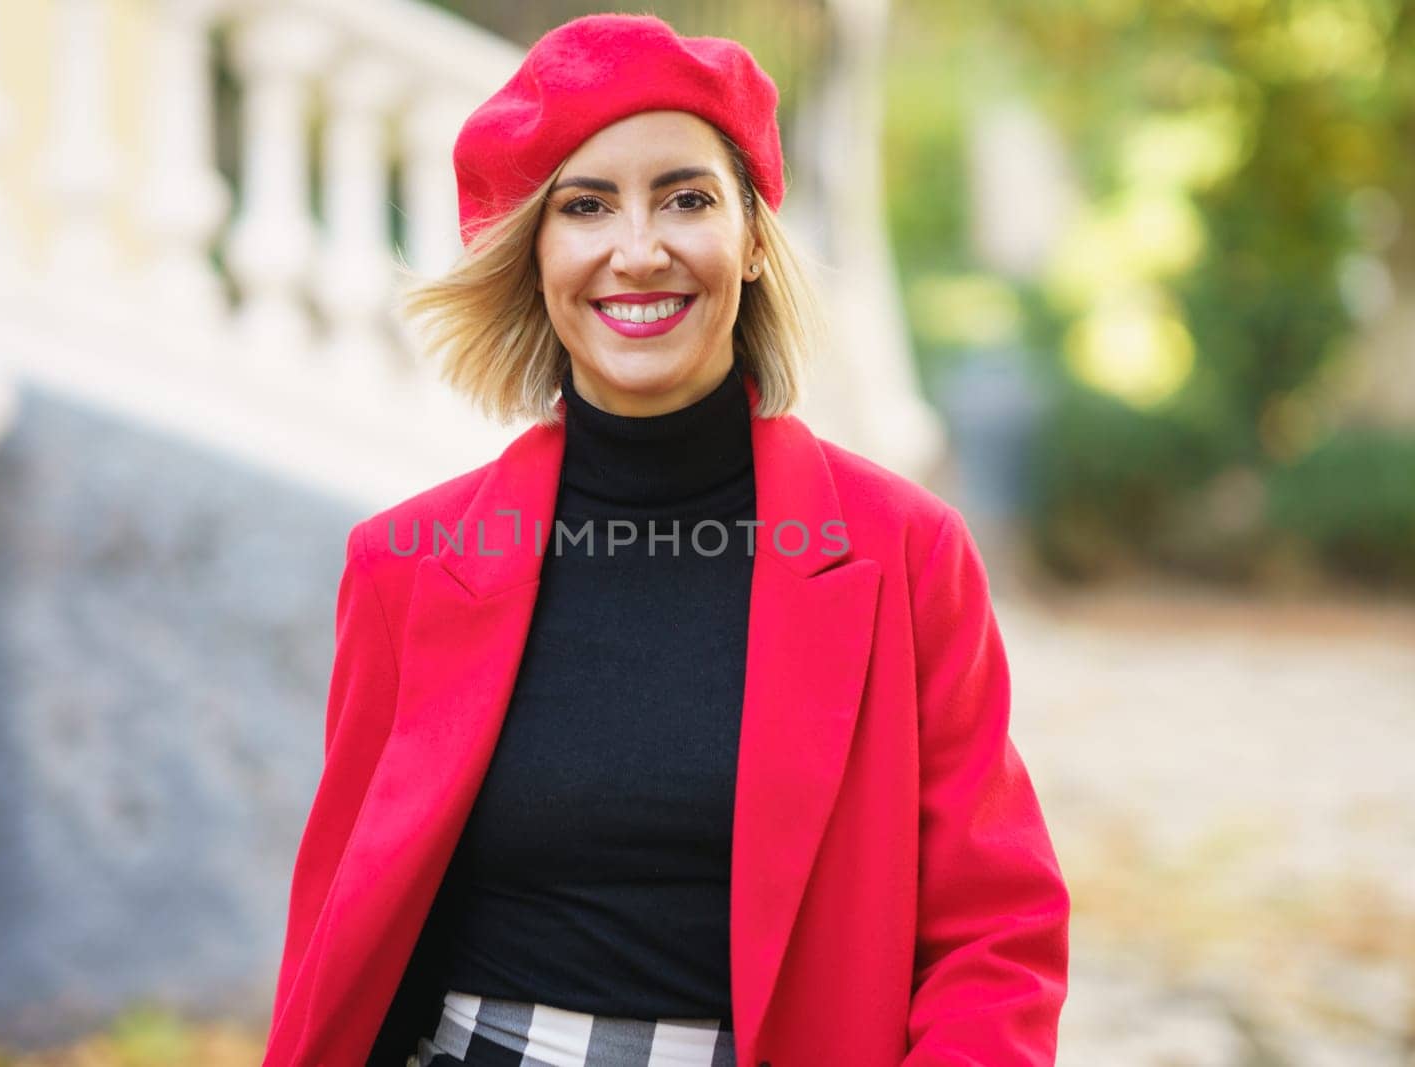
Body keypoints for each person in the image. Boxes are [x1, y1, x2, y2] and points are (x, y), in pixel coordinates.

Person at [261, 13, 1069, 1067]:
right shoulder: (403, 566)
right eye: (585, 206)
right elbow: (341, 932)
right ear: (534, 258)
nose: (637, 251)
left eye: (686, 198)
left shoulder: (905, 555)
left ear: (752, 246)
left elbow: (993, 931)